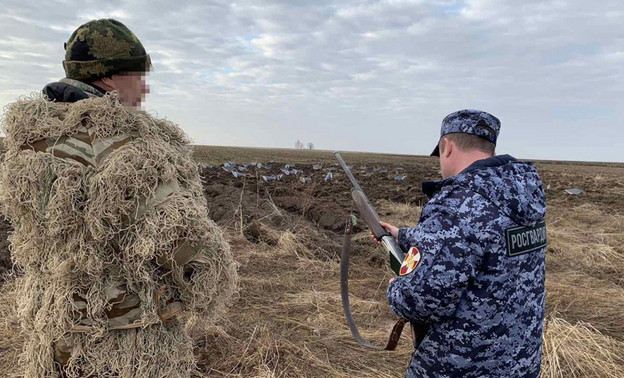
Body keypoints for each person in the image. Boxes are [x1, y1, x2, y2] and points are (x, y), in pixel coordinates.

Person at [0, 19, 237, 377]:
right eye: (138, 75)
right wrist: (208, 287)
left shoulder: (33, 143)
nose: (143, 88)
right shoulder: (126, 149)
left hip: (54, 336)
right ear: (109, 78)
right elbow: (183, 244)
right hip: (124, 346)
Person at [379, 110, 546, 377]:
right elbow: (480, 243)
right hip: (519, 361)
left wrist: (396, 289)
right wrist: (404, 236)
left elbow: (423, 302)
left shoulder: (456, 205)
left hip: (463, 366)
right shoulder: (519, 197)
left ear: (447, 147)